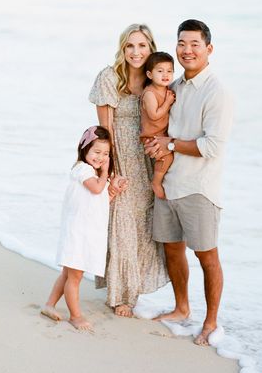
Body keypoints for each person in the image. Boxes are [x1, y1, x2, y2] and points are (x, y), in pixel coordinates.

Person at [145, 19, 233, 346]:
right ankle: (181, 308)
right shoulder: (174, 87)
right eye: (182, 43)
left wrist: (169, 143)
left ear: (209, 49)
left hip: (199, 188)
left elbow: (212, 146)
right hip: (169, 183)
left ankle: (210, 322)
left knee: (207, 256)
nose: (187, 50)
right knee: (172, 249)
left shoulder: (217, 92)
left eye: (195, 44)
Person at [89, 24, 169, 317]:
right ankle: (121, 294)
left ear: (151, 48)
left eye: (142, 46)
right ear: (122, 49)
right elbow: (104, 130)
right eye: (130, 46)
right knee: (121, 223)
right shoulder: (109, 77)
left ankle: (133, 288)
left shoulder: (156, 82)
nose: (136, 52)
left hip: (148, 160)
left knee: (143, 227)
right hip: (122, 158)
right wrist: (110, 170)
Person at [41, 125, 125, 332]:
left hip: (88, 231)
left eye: (105, 154)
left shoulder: (96, 174)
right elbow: (96, 188)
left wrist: (114, 189)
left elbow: (102, 198)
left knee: (68, 274)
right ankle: (75, 316)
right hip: (77, 230)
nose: (101, 157)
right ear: (84, 148)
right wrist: (106, 173)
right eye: (96, 152)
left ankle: (49, 305)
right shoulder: (82, 169)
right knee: (75, 276)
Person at [140, 51, 176, 199]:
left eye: (169, 71)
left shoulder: (167, 90)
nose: (165, 75)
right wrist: (167, 103)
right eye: (160, 71)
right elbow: (154, 115)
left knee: (170, 156)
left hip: (162, 134)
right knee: (166, 157)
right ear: (149, 75)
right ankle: (156, 182)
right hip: (151, 136)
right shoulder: (150, 93)